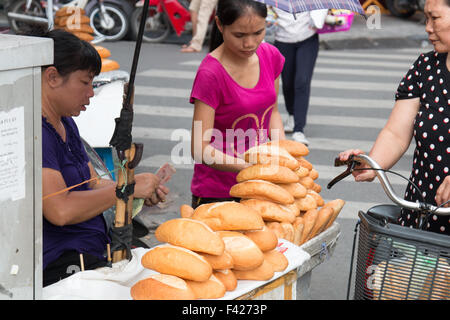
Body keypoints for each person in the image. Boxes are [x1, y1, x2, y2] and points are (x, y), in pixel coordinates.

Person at [32, 28, 169, 286]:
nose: (91, 93)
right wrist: (126, 188)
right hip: (65, 267)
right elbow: (59, 210)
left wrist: (138, 190)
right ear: (52, 77)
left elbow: (93, 184)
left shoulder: (65, 123)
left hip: (95, 252)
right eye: (85, 82)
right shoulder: (37, 133)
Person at [339, 0, 450, 235]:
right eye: (426, 19)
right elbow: (396, 134)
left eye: (435, 18)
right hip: (422, 216)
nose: (428, 27)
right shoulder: (425, 68)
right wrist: (373, 164)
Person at [188, 0, 286, 208]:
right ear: (220, 25)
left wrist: (282, 155)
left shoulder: (271, 56)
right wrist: (248, 166)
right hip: (218, 193)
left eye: (258, 32)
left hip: (261, 184)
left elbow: (273, 113)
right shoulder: (210, 74)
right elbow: (199, 148)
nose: (250, 43)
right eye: (239, 35)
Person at [273, 8, 328, 145]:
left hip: (307, 37)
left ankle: (299, 129)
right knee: (287, 83)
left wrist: (317, 19)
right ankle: (291, 114)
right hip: (282, 39)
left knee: (302, 81)